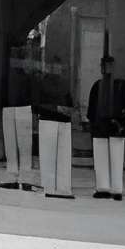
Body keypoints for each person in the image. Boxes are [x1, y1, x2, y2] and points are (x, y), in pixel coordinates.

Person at [86, 55, 125, 201]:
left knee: (115, 158)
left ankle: (114, 188)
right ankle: (104, 187)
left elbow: (91, 111)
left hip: (111, 126)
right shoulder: (103, 85)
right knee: (103, 157)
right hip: (103, 126)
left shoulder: (119, 86)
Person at [32, 65, 76, 199]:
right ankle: (52, 187)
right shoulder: (44, 85)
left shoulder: (62, 86)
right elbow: (37, 104)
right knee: (50, 155)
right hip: (51, 120)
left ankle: (59, 187)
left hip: (59, 121)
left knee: (58, 156)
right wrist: (58, 109)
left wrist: (67, 110)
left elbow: (69, 103)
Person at [0, 62, 38, 192]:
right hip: (11, 106)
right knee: (12, 143)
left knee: (23, 144)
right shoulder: (7, 74)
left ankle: (23, 177)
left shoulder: (26, 76)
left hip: (21, 107)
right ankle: (14, 177)